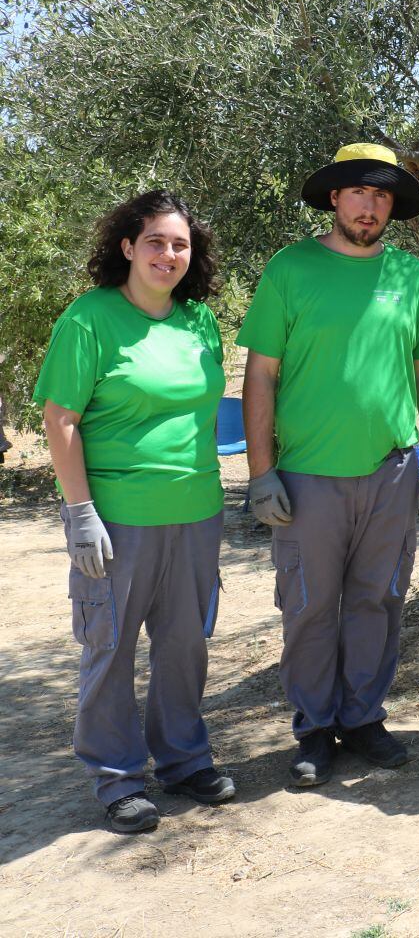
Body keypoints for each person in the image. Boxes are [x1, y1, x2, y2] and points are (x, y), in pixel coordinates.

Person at [238, 143, 419, 786]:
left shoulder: (410, 275)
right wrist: (260, 471)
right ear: (334, 198)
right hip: (306, 478)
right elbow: (261, 375)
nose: (371, 205)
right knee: (307, 606)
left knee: (378, 601)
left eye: (383, 195)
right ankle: (312, 729)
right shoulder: (290, 269)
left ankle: (362, 720)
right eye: (359, 192)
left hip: (389, 471)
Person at [35, 191, 235, 833]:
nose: (168, 254)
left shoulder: (199, 322)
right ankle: (117, 777)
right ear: (127, 246)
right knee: (110, 646)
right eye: (155, 241)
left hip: (197, 510)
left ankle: (183, 760)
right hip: (117, 516)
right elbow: (61, 420)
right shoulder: (89, 320)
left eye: (180, 244)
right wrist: (81, 512)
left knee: (184, 645)